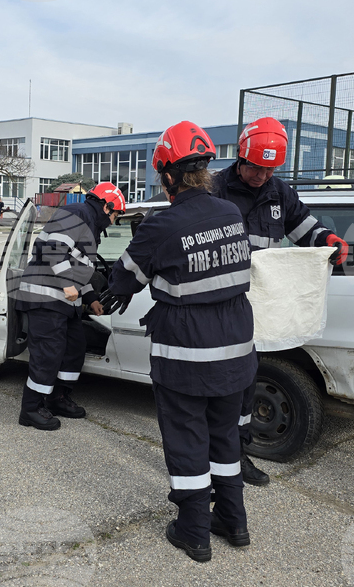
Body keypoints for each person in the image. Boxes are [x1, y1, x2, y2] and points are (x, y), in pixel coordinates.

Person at [103, 121, 256, 563]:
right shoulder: (230, 212)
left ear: (169, 175)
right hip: (236, 349)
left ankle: (193, 532)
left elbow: (125, 278)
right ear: (204, 170)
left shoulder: (161, 225)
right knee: (225, 437)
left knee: (188, 439)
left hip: (186, 354)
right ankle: (233, 519)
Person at [212, 117, 349, 487]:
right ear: (241, 156)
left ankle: (237, 458)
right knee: (217, 390)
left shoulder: (279, 193)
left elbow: (306, 228)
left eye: (270, 169)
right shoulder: (215, 190)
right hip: (216, 307)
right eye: (256, 167)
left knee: (243, 387)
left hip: (254, 312)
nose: (261, 175)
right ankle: (211, 462)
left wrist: (328, 242)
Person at [15, 181, 125, 431]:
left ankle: (57, 398)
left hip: (63, 300)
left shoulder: (89, 225)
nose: (115, 220)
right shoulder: (77, 214)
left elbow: (78, 271)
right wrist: (67, 284)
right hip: (45, 296)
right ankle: (31, 408)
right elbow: (50, 247)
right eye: (116, 214)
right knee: (48, 352)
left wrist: (90, 298)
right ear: (107, 207)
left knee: (75, 347)